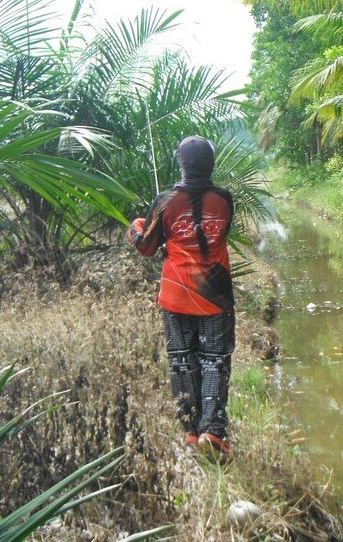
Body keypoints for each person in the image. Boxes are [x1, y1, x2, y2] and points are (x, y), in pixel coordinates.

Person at [128, 135, 235, 457]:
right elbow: (218, 233)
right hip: (215, 294)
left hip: (176, 294)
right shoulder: (225, 199)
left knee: (182, 361)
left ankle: (190, 431)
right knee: (214, 361)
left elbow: (145, 247)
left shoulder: (165, 201)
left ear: (181, 163)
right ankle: (213, 432)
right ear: (211, 164)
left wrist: (136, 225)